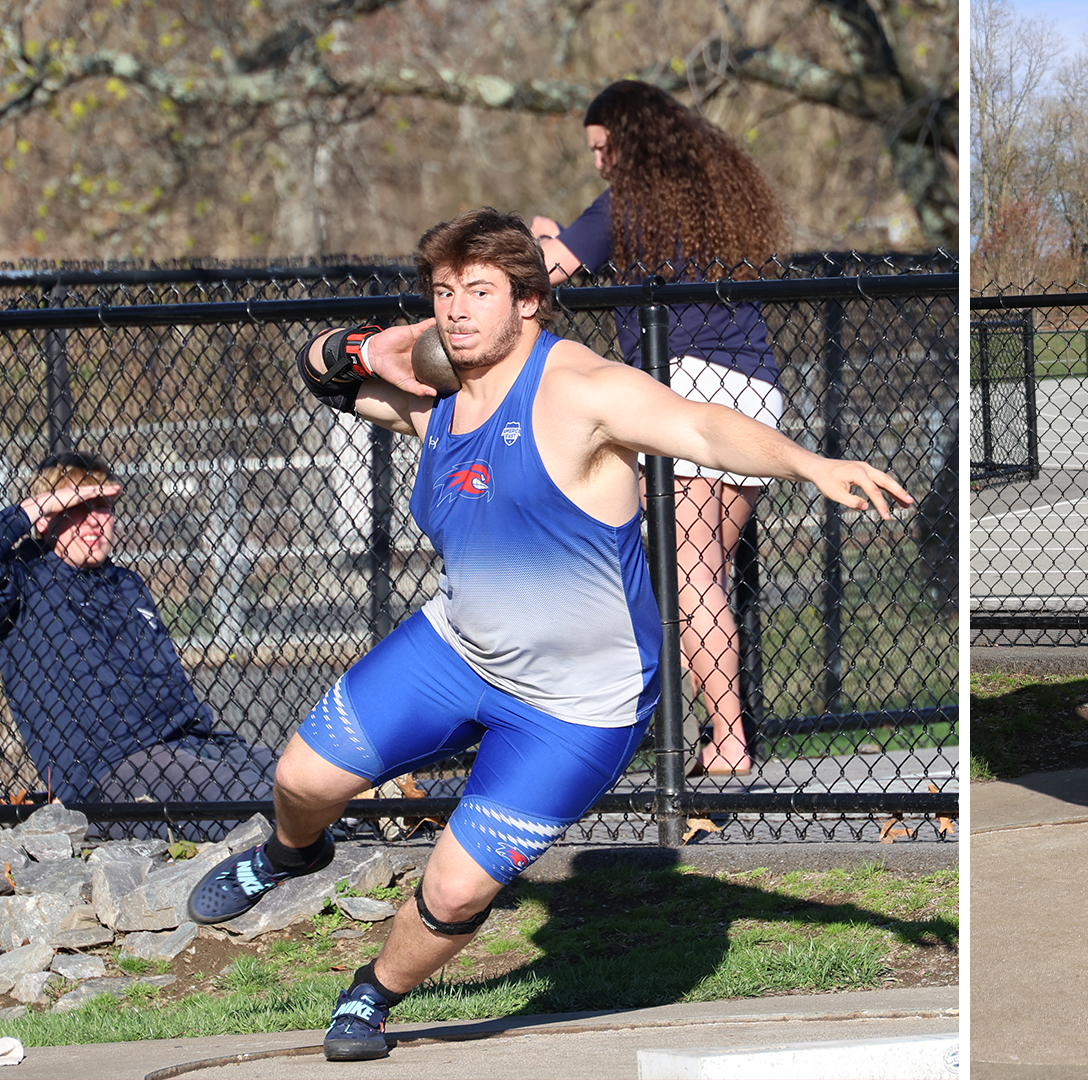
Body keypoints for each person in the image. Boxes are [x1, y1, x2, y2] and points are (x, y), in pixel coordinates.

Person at [187, 208, 910, 1062]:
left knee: (454, 892)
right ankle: (289, 852)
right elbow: (320, 374)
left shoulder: (581, 391)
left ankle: (372, 995)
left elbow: (702, 426)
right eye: (444, 292)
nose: (455, 310)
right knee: (300, 777)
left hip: (577, 705)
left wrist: (811, 464)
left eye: (480, 292)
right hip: (458, 653)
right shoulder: (436, 402)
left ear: (529, 302)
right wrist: (361, 348)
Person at [529, 80, 787, 777]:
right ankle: (694, 734)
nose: (599, 162)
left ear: (633, 140)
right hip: (755, 391)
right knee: (698, 578)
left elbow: (546, 275)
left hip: (689, 394)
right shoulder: (711, 201)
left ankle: (728, 742)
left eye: (604, 147)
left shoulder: (626, 206)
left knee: (691, 577)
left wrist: (542, 236)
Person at [0, 451, 277, 836]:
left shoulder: (126, 583)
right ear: (48, 516)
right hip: (109, 769)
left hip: (188, 741)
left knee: (302, 775)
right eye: (77, 507)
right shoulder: (23, 578)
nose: (95, 520)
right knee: (265, 802)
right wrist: (33, 507)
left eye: (103, 506)